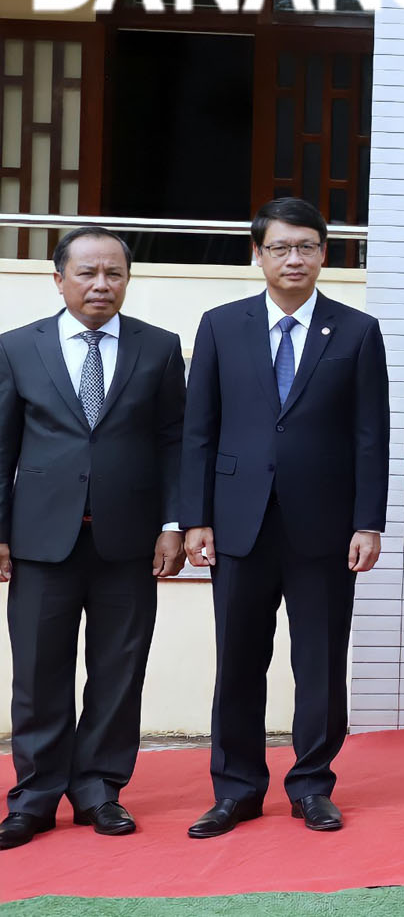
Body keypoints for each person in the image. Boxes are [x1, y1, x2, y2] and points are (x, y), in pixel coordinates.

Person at [181, 199, 389, 838]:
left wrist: (368, 521)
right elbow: (199, 431)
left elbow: (369, 435)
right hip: (238, 523)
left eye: (306, 247)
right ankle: (237, 788)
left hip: (325, 527)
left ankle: (312, 786)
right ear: (258, 255)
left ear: (325, 253)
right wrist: (195, 518)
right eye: (280, 248)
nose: (293, 258)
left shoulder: (356, 330)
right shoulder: (220, 326)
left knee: (321, 663)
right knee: (238, 661)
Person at [0, 228, 185, 851]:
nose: (101, 283)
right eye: (87, 273)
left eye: (114, 273)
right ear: (59, 280)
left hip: (128, 542)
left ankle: (99, 791)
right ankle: (33, 797)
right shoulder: (17, 349)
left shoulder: (159, 349)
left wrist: (171, 525)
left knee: (118, 670)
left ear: (128, 280)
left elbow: (172, 444)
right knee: (38, 673)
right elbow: (1, 451)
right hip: (40, 541)